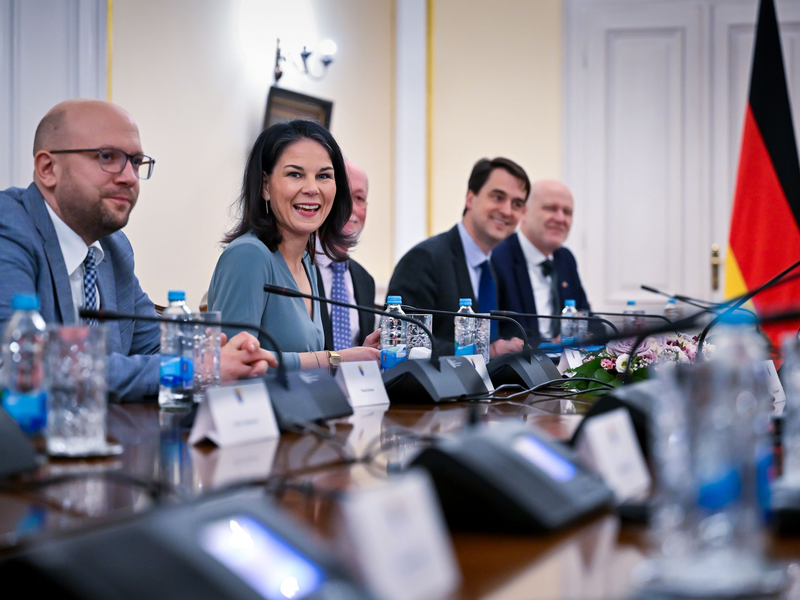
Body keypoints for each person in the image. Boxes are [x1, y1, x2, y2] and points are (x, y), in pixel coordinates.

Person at [0, 99, 275, 402]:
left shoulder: (113, 247)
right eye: (107, 157)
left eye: (135, 162)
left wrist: (217, 355)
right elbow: (32, 366)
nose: (129, 177)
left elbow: (155, 346)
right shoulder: (8, 230)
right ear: (48, 168)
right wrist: (193, 368)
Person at [207, 120, 380, 371]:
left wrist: (358, 355)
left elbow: (308, 360)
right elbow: (235, 365)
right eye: (295, 174)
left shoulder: (306, 260)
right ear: (265, 186)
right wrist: (337, 358)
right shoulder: (248, 255)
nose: (312, 189)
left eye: (323, 176)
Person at [387, 157, 528, 354]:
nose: (507, 211)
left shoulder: (493, 268)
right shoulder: (424, 259)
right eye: (498, 197)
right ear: (470, 199)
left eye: (517, 204)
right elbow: (402, 342)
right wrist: (486, 352)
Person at [492, 179, 591, 344]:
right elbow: (495, 334)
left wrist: (584, 334)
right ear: (524, 211)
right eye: (550, 208)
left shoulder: (565, 259)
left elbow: (589, 319)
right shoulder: (498, 257)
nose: (560, 218)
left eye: (567, 212)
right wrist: (546, 346)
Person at [315, 160, 377, 351]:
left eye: (359, 198)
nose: (350, 207)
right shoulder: (295, 266)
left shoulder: (365, 279)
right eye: (342, 195)